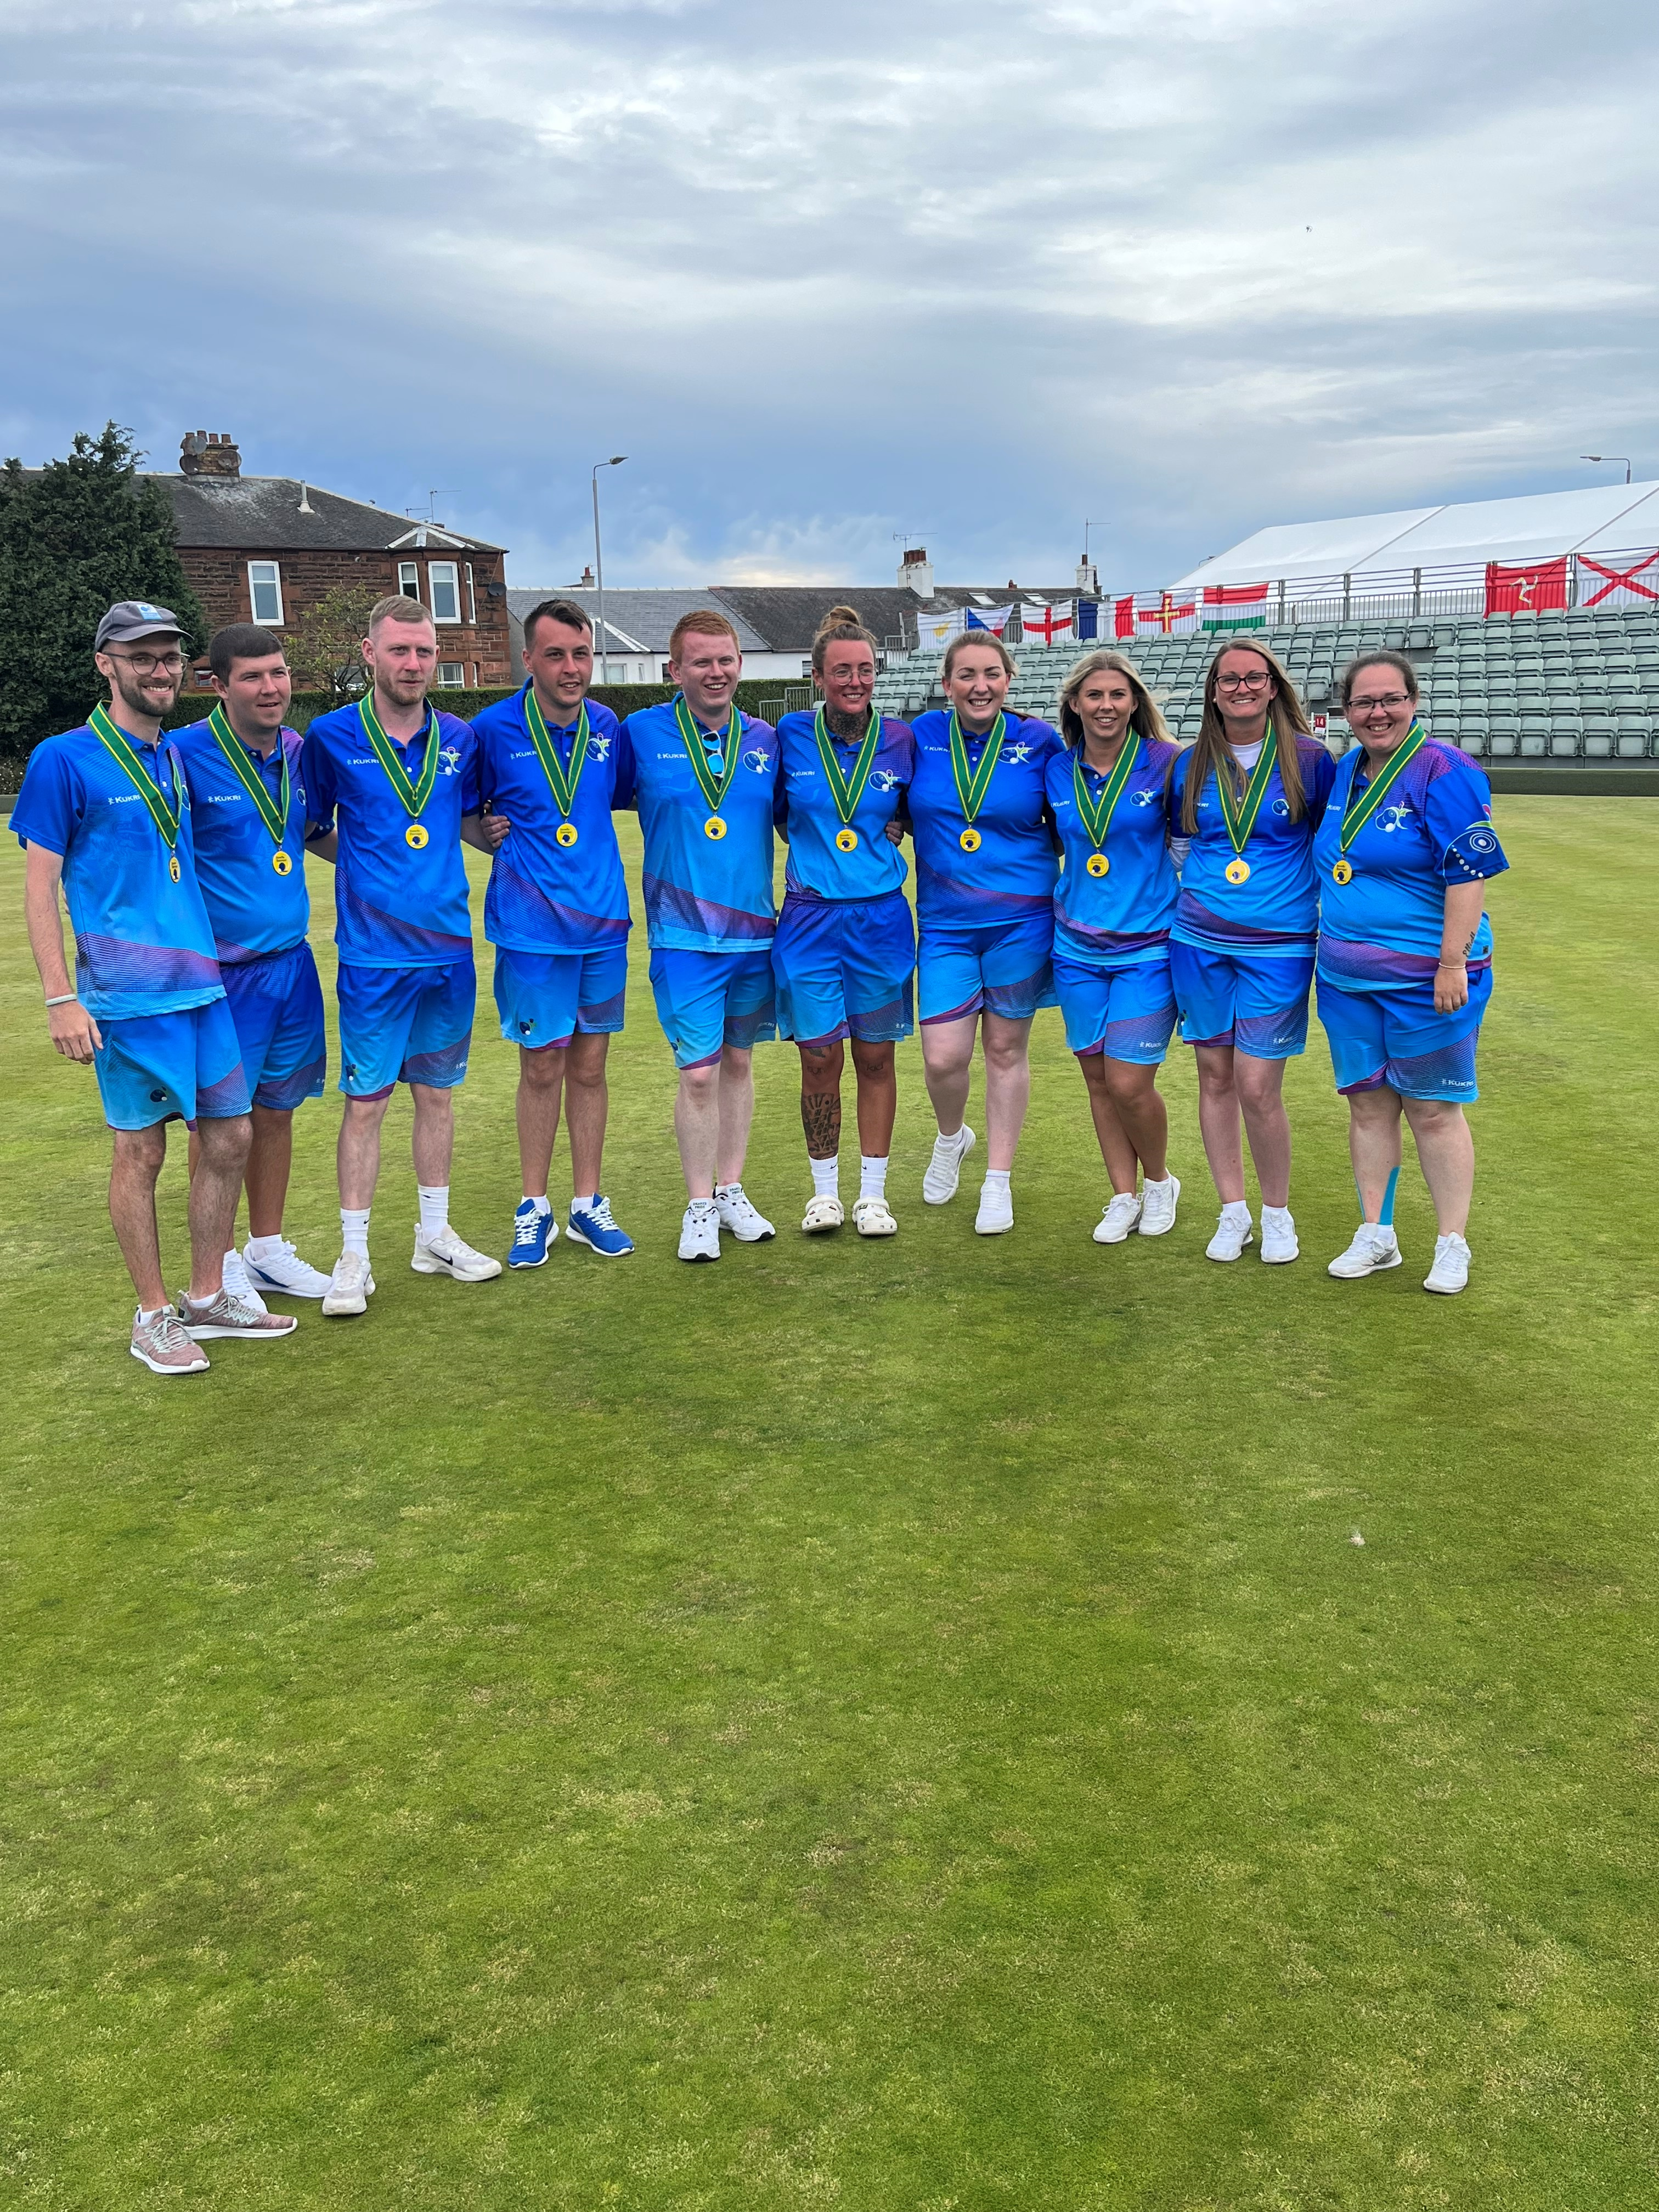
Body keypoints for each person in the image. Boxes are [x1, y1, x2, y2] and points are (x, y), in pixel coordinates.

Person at [15, 600, 296, 1372]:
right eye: (141, 656)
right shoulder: (64, 759)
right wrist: (57, 997)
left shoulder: (173, 756)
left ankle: (207, 1297)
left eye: (169, 656)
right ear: (106, 664)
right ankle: (152, 1314)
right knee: (140, 1155)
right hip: (127, 1000)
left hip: (202, 990)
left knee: (232, 1137)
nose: (160, 669)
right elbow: (39, 886)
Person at [302, 594, 503, 1314]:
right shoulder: (328, 737)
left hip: (448, 951)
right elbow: (312, 828)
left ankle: (435, 1234)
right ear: (370, 655)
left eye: (424, 652)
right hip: (372, 959)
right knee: (366, 1104)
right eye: (399, 651)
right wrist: (364, 871)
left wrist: (519, 835)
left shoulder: (461, 739)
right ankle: (353, 1253)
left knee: (437, 1097)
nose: (414, 664)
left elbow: (474, 824)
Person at [1314, 652, 1508, 1295]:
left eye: (1390, 699)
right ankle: (1379, 1234)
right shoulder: (1345, 770)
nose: (1378, 712)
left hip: (1431, 977)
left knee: (1432, 1110)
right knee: (1368, 1107)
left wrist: (1452, 960)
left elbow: (1469, 872)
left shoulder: (1442, 768)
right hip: (1346, 978)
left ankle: (1453, 1242)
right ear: (1346, 711)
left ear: (1413, 700)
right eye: (1364, 703)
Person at [472, 599, 636, 1266]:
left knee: (591, 1068)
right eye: (557, 655)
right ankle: (533, 1206)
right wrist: (490, 838)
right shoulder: (489, 729)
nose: (572, 669)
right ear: (529, 660)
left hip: (602, 923)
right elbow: (463, 810)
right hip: (532, 930)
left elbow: (616, 799)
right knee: (541, 1067)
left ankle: (587, 1205)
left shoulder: (608, 726)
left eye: (581, 654)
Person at [172, 624, 332, 1307]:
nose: (271, 688)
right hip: (222, 976)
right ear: (218, 683)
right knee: (219, 1126)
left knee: (277, 1112)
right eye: (253, 676)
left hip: (291, 967)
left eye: (279, 672)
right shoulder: (179, 755)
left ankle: (267, 1250)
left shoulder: (299, 751)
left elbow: (318, 833)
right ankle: (222, 1260)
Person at [1169, 639, 1336, 1264]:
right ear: (1214, 691)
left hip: (1280, 948)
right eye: (1228, 679)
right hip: (1199, 943)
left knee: (1258, 1085)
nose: (1241, 687)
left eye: (1253, 678)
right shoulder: (1189, 765)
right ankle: (1232, 1211)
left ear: (1273, 687)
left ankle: (1278, 1213)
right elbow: (1182, 847)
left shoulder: (1312, 761)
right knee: (1214, 1078)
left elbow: (1329, 845)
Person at [622, 611, 781, 1261]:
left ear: (739, 663)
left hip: (754, 936)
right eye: (701, 662)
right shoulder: (638, 733)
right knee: (698, 1075)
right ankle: (697, 1207)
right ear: (675, 670)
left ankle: (731, 1190)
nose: (716, 672)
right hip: (682, 938)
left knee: (739, 1064)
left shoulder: (768, 739)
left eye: (726, 660)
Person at [905, 630, 1061, 1234]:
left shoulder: (1039, 741)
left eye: (992, 673)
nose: (980, 686)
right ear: (947, 685)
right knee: (944, 1058)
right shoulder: (918, 738)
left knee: (1004, 1050)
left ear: (1009, 680)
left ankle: (998, 1180)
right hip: (944, 925)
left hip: (1022, 922)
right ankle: (952, 1137)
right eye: (966, 675)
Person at [772, 606, 914, 1238]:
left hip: (880, 919)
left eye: (864, 670)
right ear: (818, 675)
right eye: (841, 672)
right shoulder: (788, 736)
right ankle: (824, 1194)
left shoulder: (902, 740)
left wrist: (899, 824)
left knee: (877, 1057)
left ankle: (874, 1196)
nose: (854, 681)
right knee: (819, 1057)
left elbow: (917, 810)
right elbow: (777, 811)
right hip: (808, 920)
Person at [1046, 650, 1182, 1243]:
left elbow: (1188, 846)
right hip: (1075, 948)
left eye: (1118, 696)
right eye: (1094, 696)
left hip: (1148, 947)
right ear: (1075, 703)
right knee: (1098, 1080)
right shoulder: (1056, 769)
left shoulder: (1169, 764)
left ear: (1135, 703)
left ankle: (1159, 1183)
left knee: (1130, 1083)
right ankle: (1121, 1196)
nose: (1106, 706)